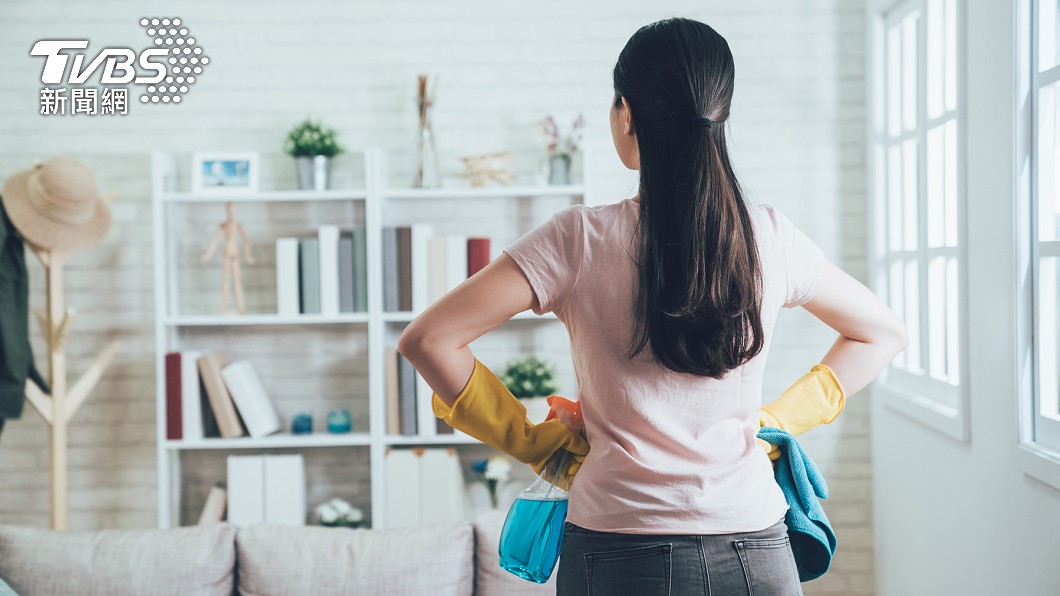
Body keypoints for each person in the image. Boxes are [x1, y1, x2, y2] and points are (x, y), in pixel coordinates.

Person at [398, 17, 908, 596]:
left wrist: (532, 441)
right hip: (755, 548)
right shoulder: (769, 236)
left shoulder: (576, 240)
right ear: (719, 118)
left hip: (617, 548)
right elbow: (881, 334)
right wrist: (777, 421)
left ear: (626, 115)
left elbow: (427, 339)